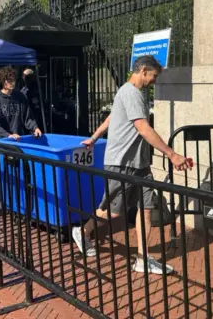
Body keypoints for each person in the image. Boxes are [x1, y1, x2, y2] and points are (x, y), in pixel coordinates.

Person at [70, 55, 193, 275]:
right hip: (121, 163)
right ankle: (82, 231)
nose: (154, 81)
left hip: (140, 165)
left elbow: (111, 118)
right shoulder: (131, 93)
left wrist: (95, 136)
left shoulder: (127, 93)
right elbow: (143, 128)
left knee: (145, 209)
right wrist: (172, 155)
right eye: (153, 76)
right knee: (112, 213)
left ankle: (143, 259)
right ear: (143, 70)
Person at [0, 66, 42, 140]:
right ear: (3, 81)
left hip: (19, 140)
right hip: (2, 142)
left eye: (14, 79)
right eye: (10, 80)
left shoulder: (20, 96)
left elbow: (27, 117)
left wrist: (35, 128)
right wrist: (8, 135)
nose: (13, 82)